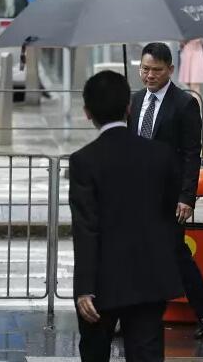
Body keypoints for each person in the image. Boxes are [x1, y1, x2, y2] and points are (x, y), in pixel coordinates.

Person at [69, 70, 184, 362]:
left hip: (101, 282)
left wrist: (84, 288)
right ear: (129, 107)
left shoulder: (84, 161)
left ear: (87, 112)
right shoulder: (160, 155)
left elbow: (85, 229)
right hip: (149, 277)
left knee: (95, 353)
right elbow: (168, 212)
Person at [128, 42, 203, 339]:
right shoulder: (135, 101)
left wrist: (186, 197)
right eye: (145, 69)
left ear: (170, 69)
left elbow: (192, 154)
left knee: (175, 254)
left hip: (168, 195)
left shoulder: (184, 103)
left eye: (156, 70)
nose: (149, 75)